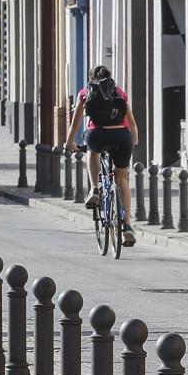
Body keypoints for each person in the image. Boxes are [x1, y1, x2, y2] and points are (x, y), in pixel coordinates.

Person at [64, 65, 139, 247]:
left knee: (92, 150)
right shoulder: (119, 93)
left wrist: (69, 143)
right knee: (122, 181)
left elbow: (75, 125)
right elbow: (133, 125)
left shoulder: (86, 93)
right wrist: (132, 141)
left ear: (90, 78)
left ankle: (95, 189)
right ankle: (127, 226)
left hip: (97, 134)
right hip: (122, 136)